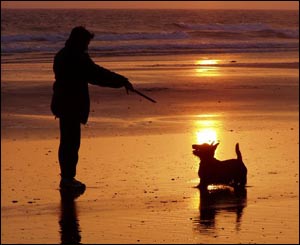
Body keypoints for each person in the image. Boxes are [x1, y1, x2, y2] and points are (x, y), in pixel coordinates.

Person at [51, 26, 134, 190]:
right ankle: (67, 179)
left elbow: (94, 73)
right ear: (79, 40)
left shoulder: (63, 54)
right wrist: (121, 81)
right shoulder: (76, 57)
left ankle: (67, 177)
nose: (87, 46)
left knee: (68, 142)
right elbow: (96, 74)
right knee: (71, 143)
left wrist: (120, 81)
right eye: (86, 42)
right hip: (71, 104)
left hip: (62, 102)